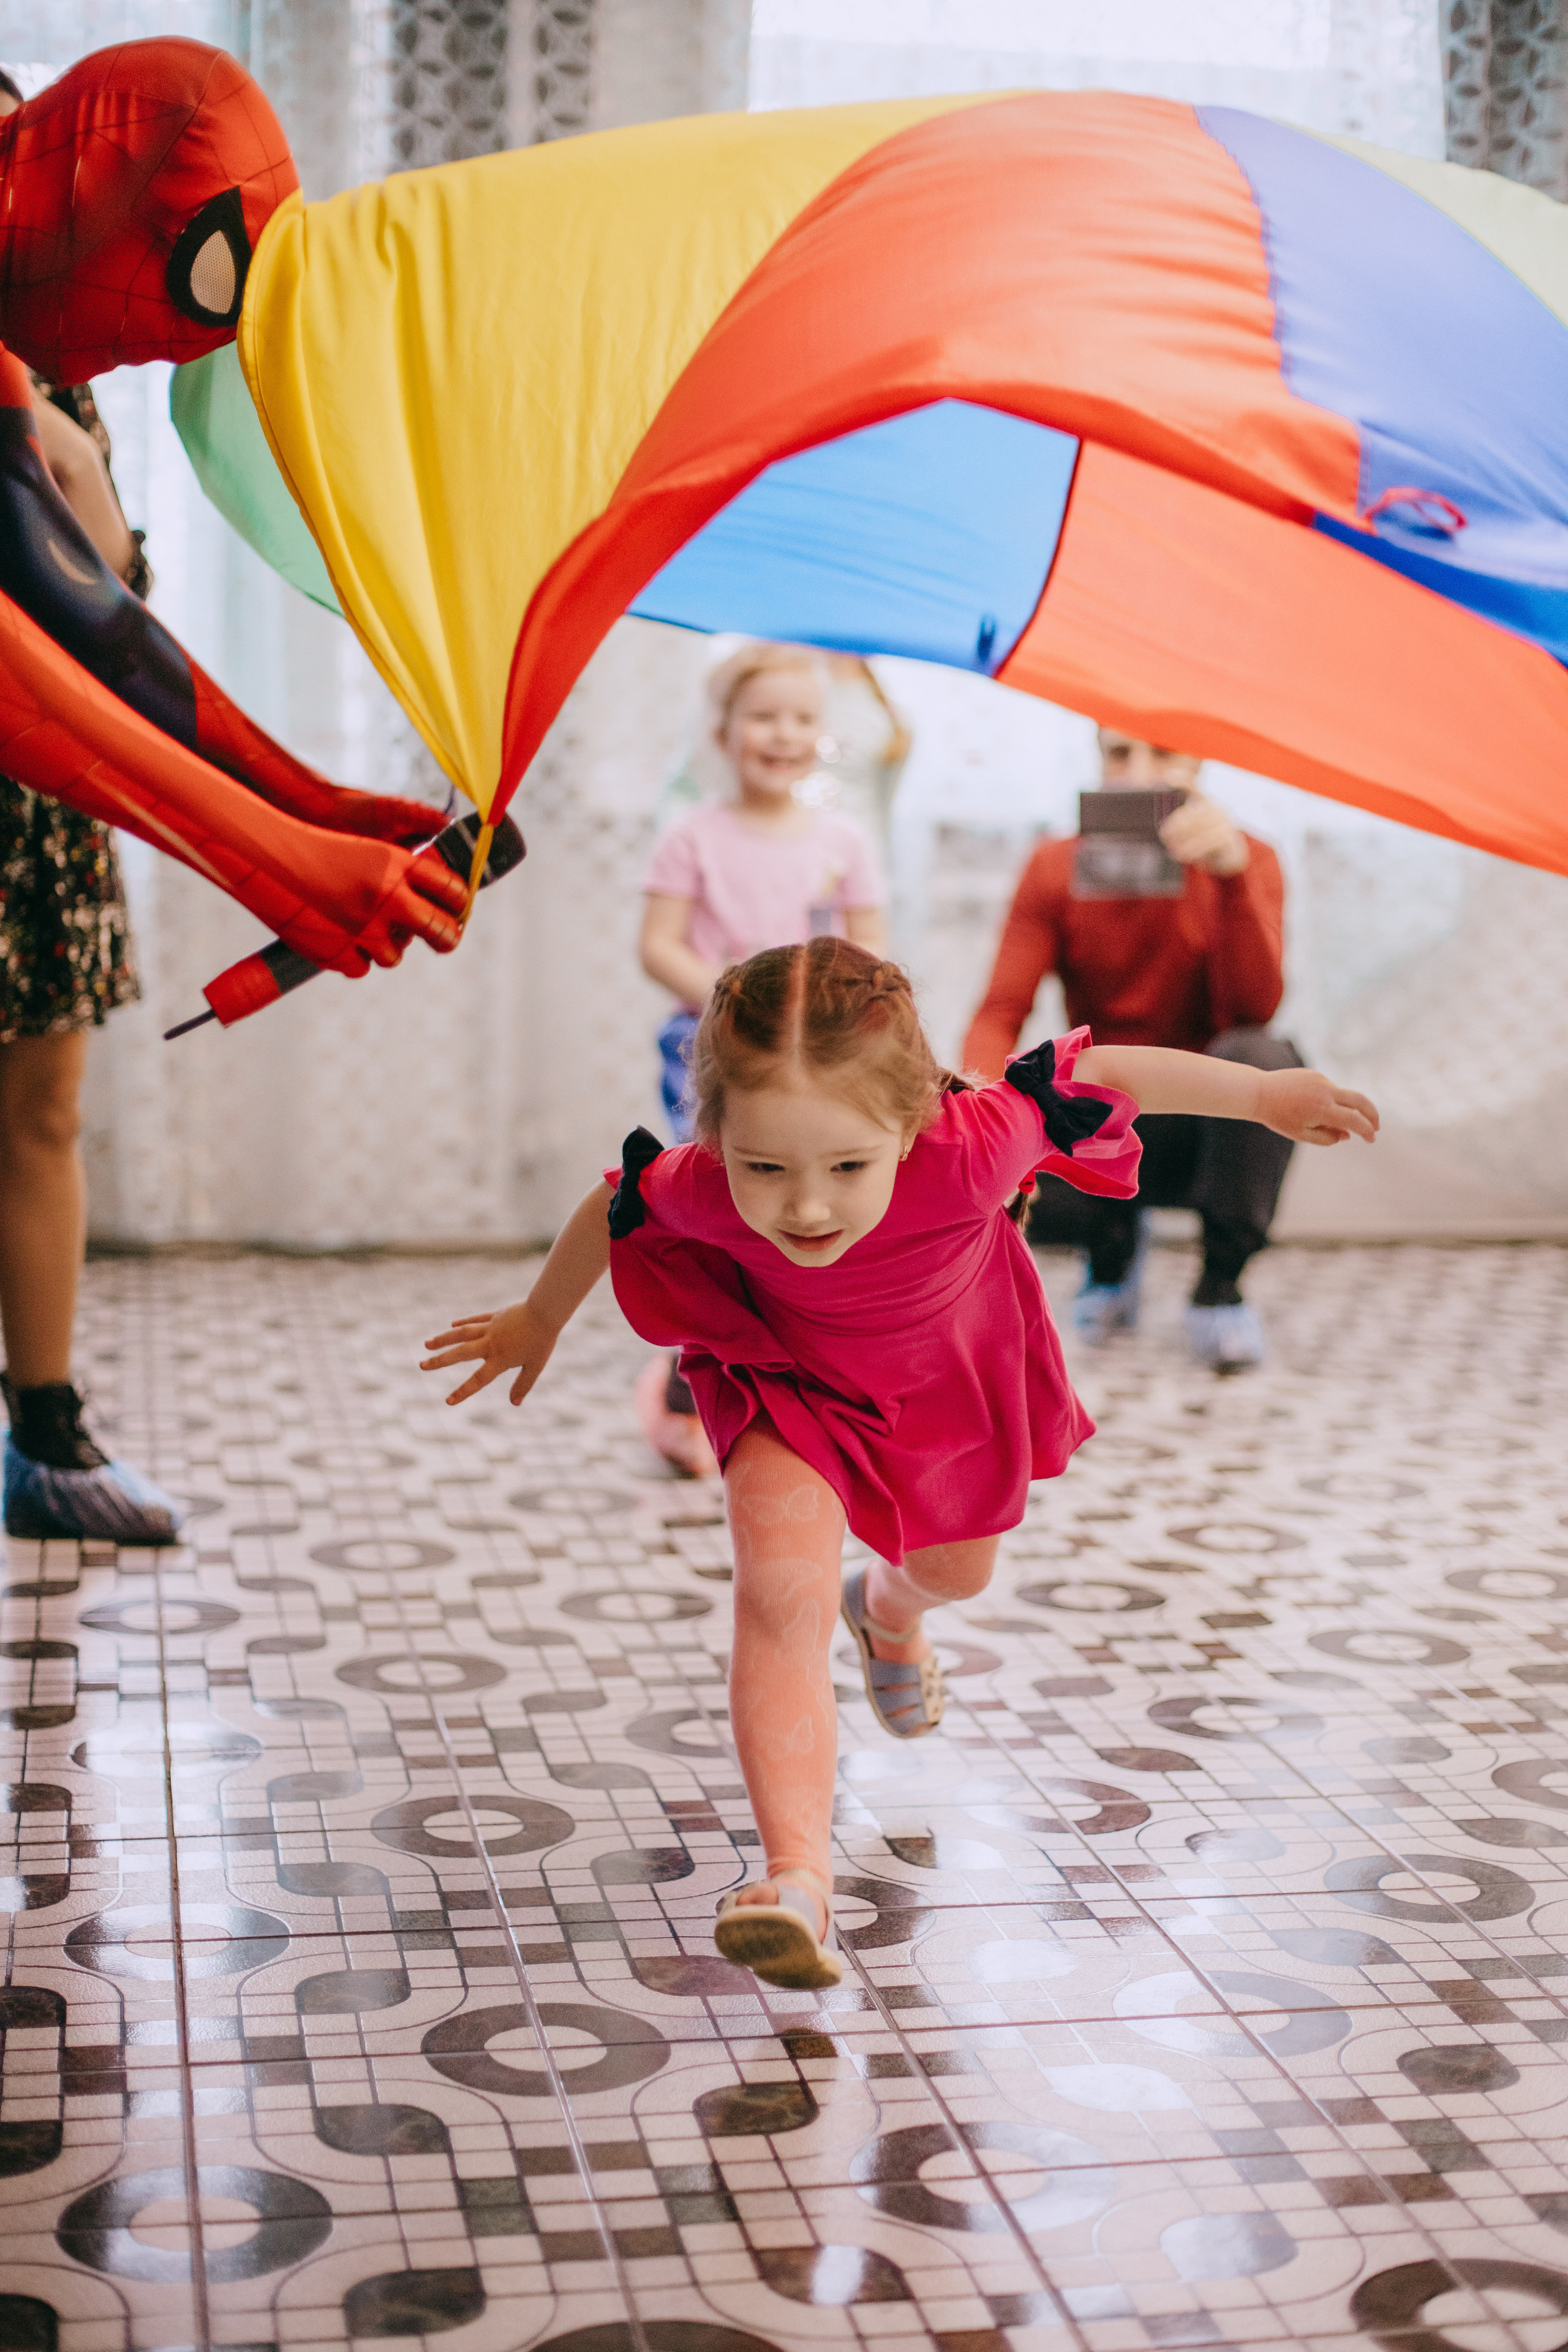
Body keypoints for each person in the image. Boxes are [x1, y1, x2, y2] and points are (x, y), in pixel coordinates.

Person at [421, 937, 1378, 1990]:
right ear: (720, 1138)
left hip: (946, 1397)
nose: (806, 1208)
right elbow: (619, 1206)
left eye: (846, 1167)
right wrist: (536, 1319)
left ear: (910, 1122)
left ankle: (887, 1611)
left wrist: (1264, 1094)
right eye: (765, 1169)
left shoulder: (970, 1148)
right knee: (778, 1599)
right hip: (789, 1385)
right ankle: (794, 1881)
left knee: (960, 1572)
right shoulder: (699, 1184)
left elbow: (1102, 1073)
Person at [0, 58, 181, 1542]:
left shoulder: (53, 371)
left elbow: (122, 616)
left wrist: (73, 473)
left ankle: (46, 1440)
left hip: (39, 801)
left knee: (44, 1110)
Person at [963, 729, 1298, 1371]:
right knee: (1040, 1091)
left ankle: (1219, 1288)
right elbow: (1002, 1010)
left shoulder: (1250, 857)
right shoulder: (1055, 864)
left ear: (1199, 762)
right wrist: (974, 1111)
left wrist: (1230, 880)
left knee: (1266, 1055)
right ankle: (1110, 1251)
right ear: (1095, 760)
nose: (1139, 772)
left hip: (1204, 1110)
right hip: (1104, 1106)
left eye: (1163, 753)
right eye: (1119, 754)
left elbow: (1253, 1012)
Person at [636, 642, 886, 1470]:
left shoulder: (846, 839)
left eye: (803, 718)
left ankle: (811, 1372)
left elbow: (871, 962)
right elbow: (658, 946)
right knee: (715, 1210)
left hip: (821, 1059)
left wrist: (834, 1025)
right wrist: (738, 1002)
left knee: (817, 1216)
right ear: (724, 729)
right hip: (708, 1046)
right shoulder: (692, 836)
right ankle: (689, 1376)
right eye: (765, 716)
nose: (784, 733)